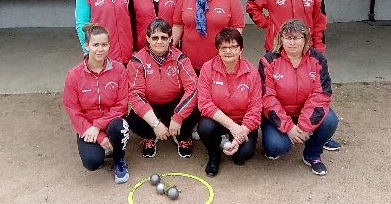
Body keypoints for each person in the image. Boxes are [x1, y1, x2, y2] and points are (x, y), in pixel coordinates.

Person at [246, 0, 340, 151]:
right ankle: (282, 128)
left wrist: (319, 49)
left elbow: (320, 22)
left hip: (306, 51)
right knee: (276, 93)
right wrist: (266, 23)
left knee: (310, 92)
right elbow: (251, 4)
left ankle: (317, 133)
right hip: (276, 50)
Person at [259, 19, 339, 176]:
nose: (292, 42)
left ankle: (312, 154)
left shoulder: (318, 59)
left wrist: (303, 126)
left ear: (306, 39)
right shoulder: (268, 61)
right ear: (280, 38)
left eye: (297, 37)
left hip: (305, 113)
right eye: (288, 37)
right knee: (276, 146)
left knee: (330, 120)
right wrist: (289, 127)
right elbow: (267, 99)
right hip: (280, 114)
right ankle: (281, 140)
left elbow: (321, 94)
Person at [63, 23, 130, 183]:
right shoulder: (74, 76)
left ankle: (119, 159)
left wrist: (98, 125)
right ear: (86, 46)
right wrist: (98, 136)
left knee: (119, 126)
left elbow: (122, 104)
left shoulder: (119, 69)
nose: (100, 49)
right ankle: (103, 147)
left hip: (110, 122)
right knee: (92, 162)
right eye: (95, 45)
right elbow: (73, 110)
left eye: (104, 45)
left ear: (109, 45)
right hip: (88, 126)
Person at [127, 18, 199, 158]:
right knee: (133, 122)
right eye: (155, 37)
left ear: (170, 38)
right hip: (150, 104)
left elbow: (193, 88)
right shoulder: (137, 61)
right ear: (148, 38)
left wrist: (178, 117)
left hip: (174, 103)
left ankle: (183, 137)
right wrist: (155, 124)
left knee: (197, 111)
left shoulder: (180, 58)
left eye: (164, 37)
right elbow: (135, 94)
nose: (159, 41)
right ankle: (150, 136)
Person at [197, 28, 262, 177]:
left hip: (242, 123)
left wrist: (240, 133)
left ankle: (234, 144)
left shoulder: (252, 73)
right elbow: (204, 103)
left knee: (243, 155)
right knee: (205, 127)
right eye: (223, 47)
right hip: (218, 120)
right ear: (217, 50)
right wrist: (231, 126)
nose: (228, 51)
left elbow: (255, 108)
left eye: (233, 47)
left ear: (241, 49)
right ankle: (214, 155)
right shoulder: (208, 68)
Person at [172, 0, 244, 74]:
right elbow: (178, 26)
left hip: (220, 62)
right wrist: (169, 50)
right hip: (189, 63)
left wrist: (230, 53)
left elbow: (237, 28)